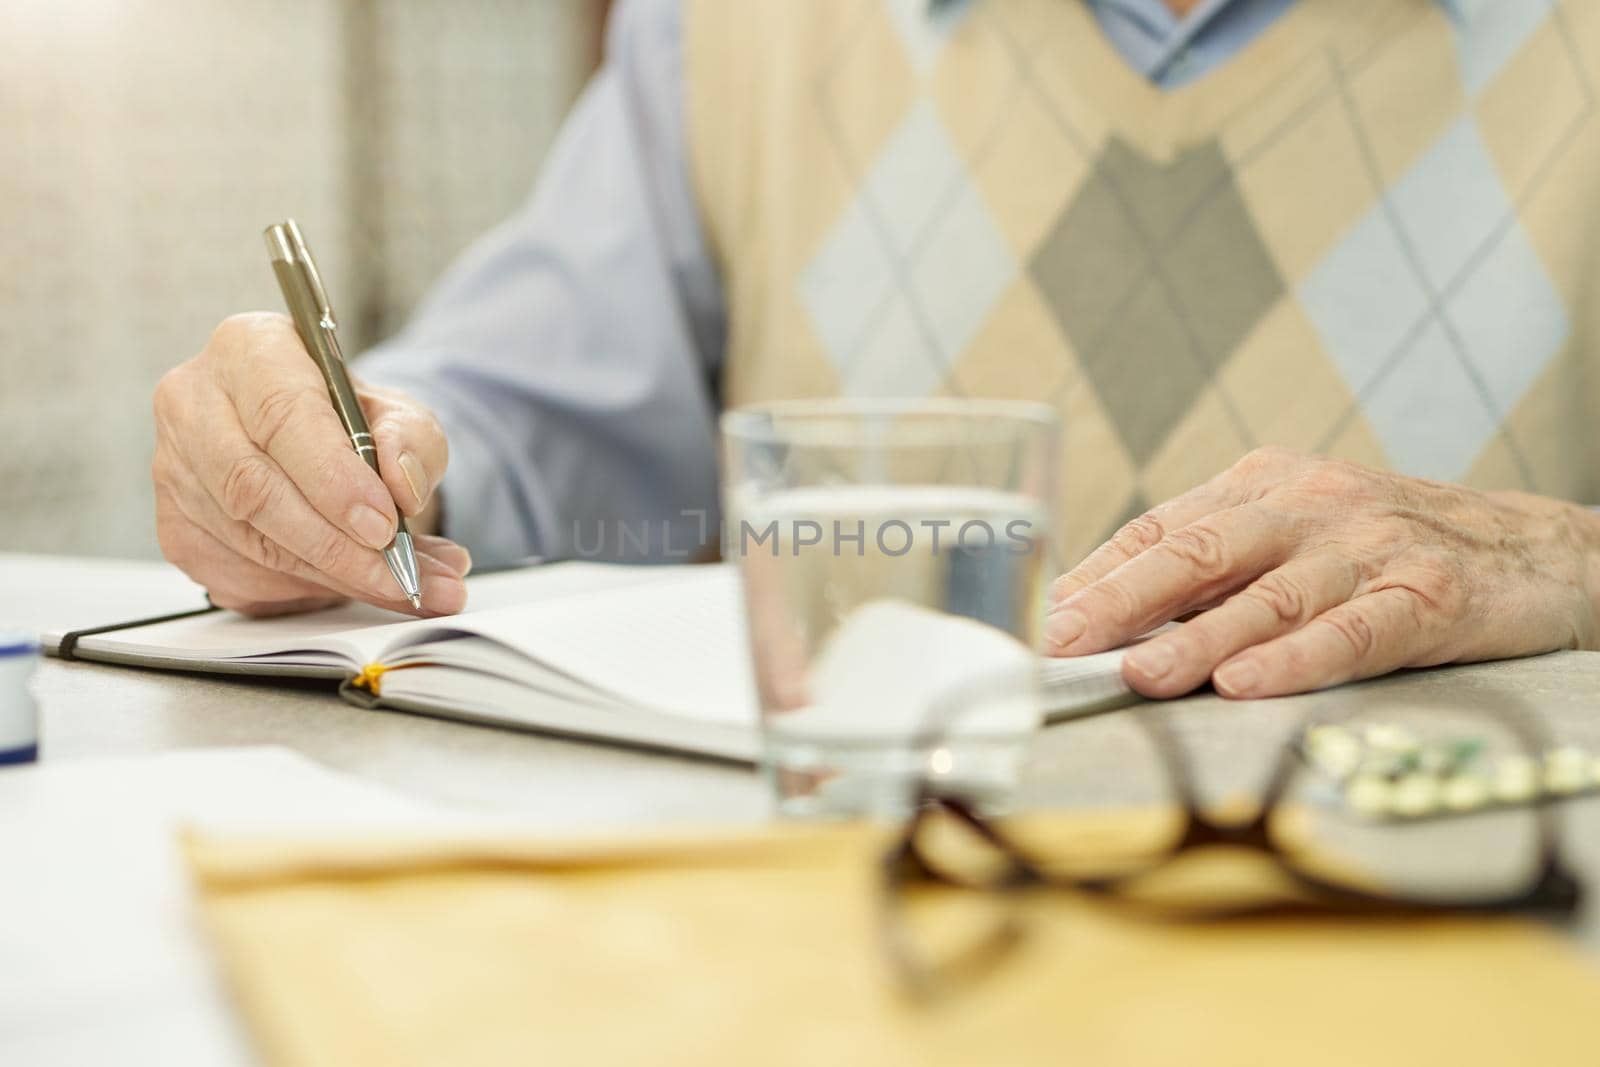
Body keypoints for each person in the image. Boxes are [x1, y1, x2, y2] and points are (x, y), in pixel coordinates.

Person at [151, 0, 1600, 701]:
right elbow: (507, 426)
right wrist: (324, 463)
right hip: (831, 950)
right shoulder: (727, 25)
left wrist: (1569, 558)